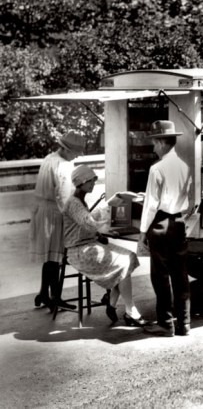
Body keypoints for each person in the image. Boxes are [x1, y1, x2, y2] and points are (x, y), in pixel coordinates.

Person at [63, 165, 147, 326]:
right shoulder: (73, 203)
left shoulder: (79, 200)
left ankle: (112, 302)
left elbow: (83, 227)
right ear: (81, 182)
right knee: (122, 263)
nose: (93, 184)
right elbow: (89, 222)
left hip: (89, 244)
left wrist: (100, 235)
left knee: (129, 256)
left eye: (94, 181)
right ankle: (130, 311)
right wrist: (110, 203)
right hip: (79, 251)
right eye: (90, 182)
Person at [138, 120, 193, 336]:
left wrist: (143, 232)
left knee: (160, 276)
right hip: (178, 222)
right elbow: (187, 200)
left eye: (154, 142)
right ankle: (185, 323)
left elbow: (151, 204)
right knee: (181, 274)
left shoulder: (156, 169)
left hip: (160, 224)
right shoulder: (184, 166)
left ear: (161, 142)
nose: (153, 147)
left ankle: (166, 323)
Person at [29, 130, 85, 311]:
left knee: (50, 256)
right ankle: (55, 297)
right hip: (54, 211)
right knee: (55, 257)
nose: (77, 156)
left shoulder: (49, 158)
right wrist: (73, 215)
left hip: (42, 209)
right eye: (76, 152)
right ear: (68, 150)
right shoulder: (63, 166)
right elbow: (63, 196)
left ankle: (45, 293)